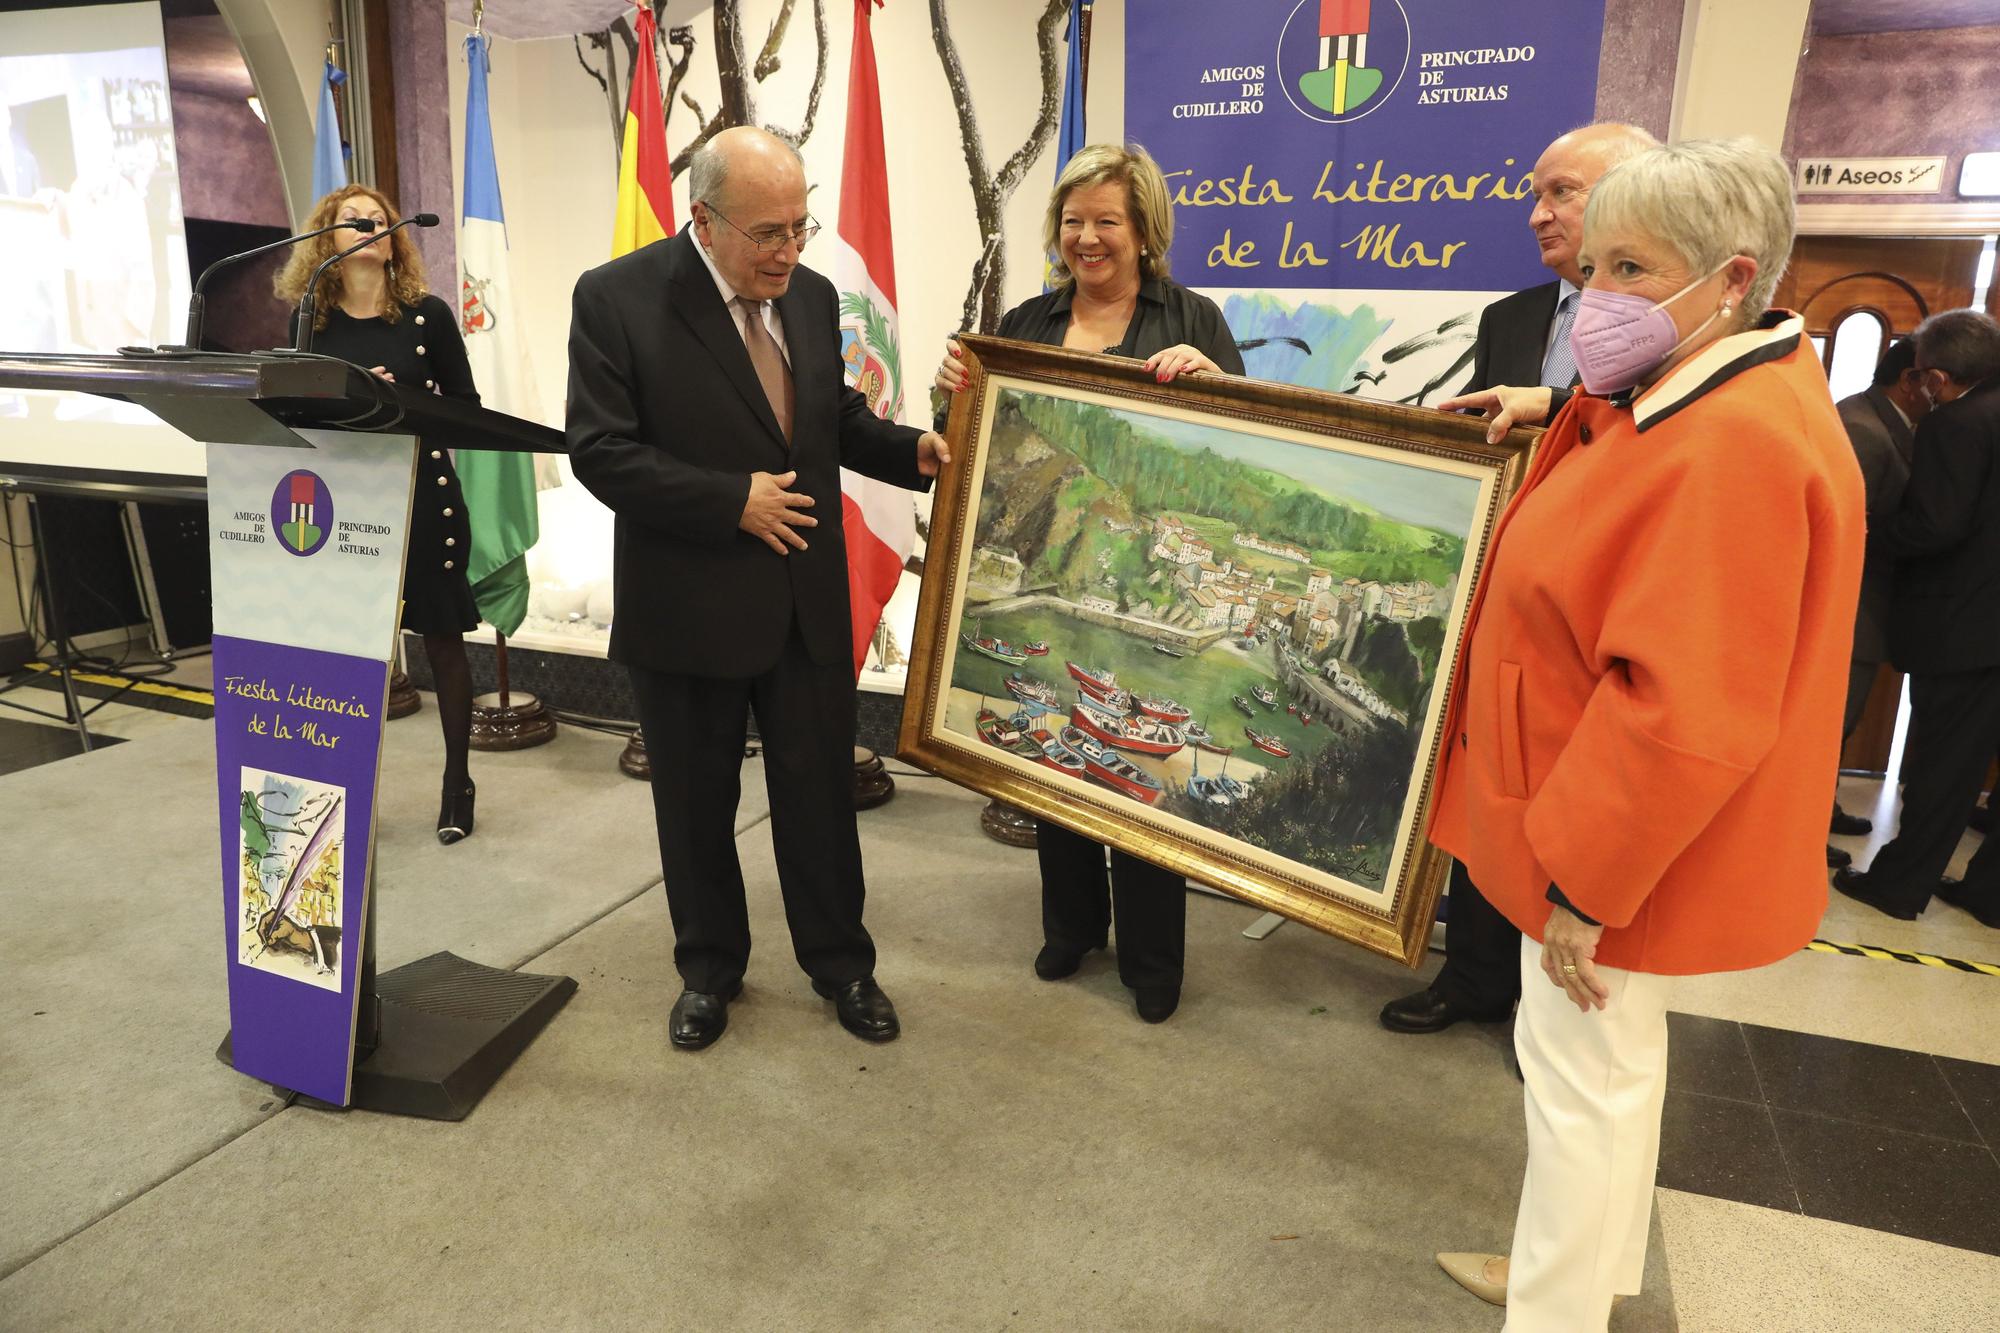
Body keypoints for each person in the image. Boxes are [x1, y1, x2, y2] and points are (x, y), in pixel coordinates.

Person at [1428, 139, 1863, 1327]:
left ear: (1729, 279)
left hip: (1605, 834)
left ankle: (1552, 1309)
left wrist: (1586, 879)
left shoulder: (1733, 440)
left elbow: (1682, 703)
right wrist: (1549, 402)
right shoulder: (1696, 385)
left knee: (1577, 1085)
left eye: (1631, 266)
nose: (1599, 294)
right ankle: (1585, 1270)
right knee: (1609, 1073)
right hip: (1585, 806)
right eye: (1598, 262)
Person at [566, 127, 949, 1051]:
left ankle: (842, 965)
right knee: (695, 806)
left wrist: (917, 454)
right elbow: (599, 450)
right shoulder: (617, 298)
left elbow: (834, 419)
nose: (788, 251)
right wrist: (728, 500)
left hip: (802, 604)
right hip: (687, 603)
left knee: (820, 798)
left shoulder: (812, 298)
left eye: (800, 227)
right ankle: (709, 972)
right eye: (767, 232)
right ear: (703, 219)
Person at [932, 143, 1243, 1024]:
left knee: (1140, 791)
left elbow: (1248, 430)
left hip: (1134, 563)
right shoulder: (1027, 322)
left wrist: (1216, 383)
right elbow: (967, 450)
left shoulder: (1194, 318)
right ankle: (1071, 925)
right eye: (1073, 221)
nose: (1088, 238)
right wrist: (951, 387)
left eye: (1107, 220)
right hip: (1045, 555)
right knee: (1056, 750)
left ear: (1145, 230)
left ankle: (1153, 959)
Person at [1381, 121, 1657, 1038]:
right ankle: (1475, 980)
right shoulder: (1510, 317)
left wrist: (1554, 410)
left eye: (1562, 192)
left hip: (1599, 622)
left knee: (1570, 806)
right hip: (1506, 599)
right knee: (1487, 791)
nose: (1537, 213)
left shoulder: (1674, 339)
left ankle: (1551, 1009)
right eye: (1534, 193)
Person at [274, 184, 483, 845]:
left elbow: (468, 408)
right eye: (352, 220)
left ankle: (458, 783)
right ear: (327, 239)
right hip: (342, 505)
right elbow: (294, 414)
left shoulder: (427, 317)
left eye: (380, 220)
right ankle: (344, 794)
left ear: (394, 239)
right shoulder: (312, 322)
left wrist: (403, 403)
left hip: (423, 493)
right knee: (349, 657)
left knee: (443, 642)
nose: (369, 227)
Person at [1832, 309, 2000, 926]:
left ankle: (1900, 886)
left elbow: (1937, 526)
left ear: (1937, 373)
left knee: (1943, 769)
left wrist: (1868, 532)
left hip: (1964, 626)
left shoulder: (1956, 423)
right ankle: (1989, 895)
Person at [1826, 338, 1929, 869]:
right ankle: (1803, 829)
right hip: (1849, 607)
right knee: (1829, 722)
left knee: (1842, 719)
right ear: (1911, 380)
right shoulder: (1863, 430)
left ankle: (1822, 809)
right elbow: (1843, 534)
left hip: (1866, 606)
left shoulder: (1881, 421)